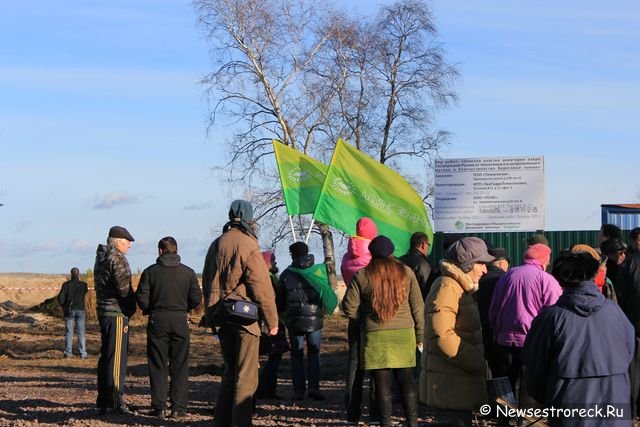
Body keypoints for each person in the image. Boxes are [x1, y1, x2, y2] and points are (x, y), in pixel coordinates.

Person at [523, 251, 634, 426]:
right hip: (615, 403)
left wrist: (545, 397)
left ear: (560, 279)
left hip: (569, 406)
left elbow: (535, 367)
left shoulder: (551, 318)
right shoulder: (615, 312)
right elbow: (629, 351)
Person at [202, 200, 279, 427]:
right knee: (246, 376)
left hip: (221, 316)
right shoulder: (249, 245)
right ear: (249, 218)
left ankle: (222, 422)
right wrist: (272, 321)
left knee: (230, 372)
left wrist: (211, 313)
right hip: (245, 319)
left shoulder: (216, 244)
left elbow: (207, 282)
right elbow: (261, 286)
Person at [342, 236, 424, 427]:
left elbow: (348, 307)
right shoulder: (406, 272)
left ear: (371, 253)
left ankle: (385, 423)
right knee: (406, 382)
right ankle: (412, 422)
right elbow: (417, 306)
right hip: (404, 334)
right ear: (391, 251)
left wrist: (364, 316)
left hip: (374, 335)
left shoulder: (363, 275)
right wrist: (420, 335)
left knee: (382, 385)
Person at [420, 237, 494, 426]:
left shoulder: (458, 287)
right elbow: (442, 335)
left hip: (456, 383)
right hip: (450, 386)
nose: (485, 270)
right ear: (468, 265)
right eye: (481, 264)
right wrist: (476, 361)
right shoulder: (447, 287)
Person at [489, 243, 562, 413]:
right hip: (532, 342)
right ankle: (526, 421)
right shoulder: (546, 280)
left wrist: (496, 331)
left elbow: (494, 308)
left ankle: (503, 419)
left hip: (505, 340)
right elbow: (554, 313)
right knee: (529, 386)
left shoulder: (508, 276)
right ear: (544, 260)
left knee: (506, 383)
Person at [136, 236, 202, 420]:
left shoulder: (150, 272)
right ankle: (179, 408)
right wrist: (185, 307)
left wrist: (150, 308)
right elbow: (197, 298)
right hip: (180, 319)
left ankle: (159, 407)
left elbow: (141, 298)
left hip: (157, 319)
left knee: (158, 364)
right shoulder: (188, 273)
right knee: (180, 364)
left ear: (160, 251)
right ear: (177, 250)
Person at [94, 225, 137, 415]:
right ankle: (115, 400)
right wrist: (131, 306)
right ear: (119, 242)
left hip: (104, 310)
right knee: (117, 359)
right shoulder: (117, 258)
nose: (129, 247)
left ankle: (103, 399)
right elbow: (123, 289)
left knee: (106, 357)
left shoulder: (101, 257)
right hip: (117, 312)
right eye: (128, 243)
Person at [340, 217, 379, 423]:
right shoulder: (374, 258)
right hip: (372, 316)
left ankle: (352, 413)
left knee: (354, 364)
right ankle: (374, 414)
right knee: (375, 365)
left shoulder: (347, 257)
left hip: (354, 316)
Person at [277, 242, 326, 401]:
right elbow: (326, 293)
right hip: (315, 320)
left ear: (292, 255)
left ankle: (298, 390)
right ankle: (314, 388)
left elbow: (280, 300)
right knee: (314, 353)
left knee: (296, 355)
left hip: (294, 319)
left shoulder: (286, 274)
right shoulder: (317, 272)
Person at [256, 250, 288, 400]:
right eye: (273, 260)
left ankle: (268, 389)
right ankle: (264, 389)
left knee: (274, 356)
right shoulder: (269, 279)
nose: (275, 263)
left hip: (272, 321)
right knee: (274, 356)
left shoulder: (266, 277)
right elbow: (274, 301)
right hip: (273, 322)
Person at [476, 247, 509, 377]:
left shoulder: (478, 279)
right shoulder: (505, 279)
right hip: (499, 333)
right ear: (502, 263)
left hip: (479, 329)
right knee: (501, 375)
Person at [621, 227, 640, 417]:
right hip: (634, 325)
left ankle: (632, 409)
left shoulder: (628, 263)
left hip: (632, 324)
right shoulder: (630, 263)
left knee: (634, 369)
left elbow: (621, 294)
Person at [57, 267, 88, 359]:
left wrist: (64, 306)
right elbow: (85, 292)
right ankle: (82, 353)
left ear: (71, 274)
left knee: (69, 332)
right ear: (78, 274)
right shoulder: (83, 285)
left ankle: (68, 353)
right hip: (80, 310)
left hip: (69, 311)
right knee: (81, 333)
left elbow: (60, 298)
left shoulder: (66, 285)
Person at [399, 231, 432, 299]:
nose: (428, 247)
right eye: (428, 244)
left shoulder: (399, 260)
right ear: (423, 245)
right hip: (417, 303)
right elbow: (426, 289)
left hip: (399, 300)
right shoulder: (423, 264)